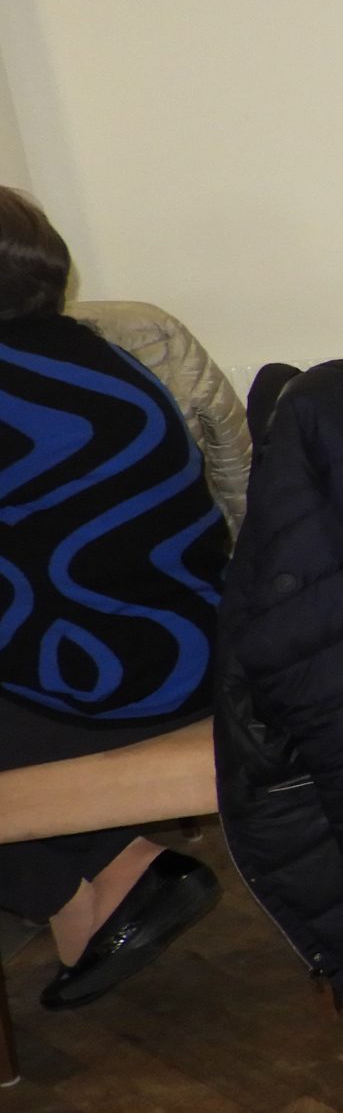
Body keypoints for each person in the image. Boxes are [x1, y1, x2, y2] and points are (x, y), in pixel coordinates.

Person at [0, 188, 222, 1010]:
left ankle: (86, 883)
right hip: (186, 641)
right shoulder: (93, 354)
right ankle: (111, 874)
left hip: (114, 674)